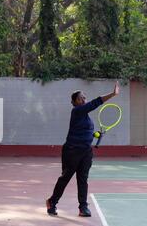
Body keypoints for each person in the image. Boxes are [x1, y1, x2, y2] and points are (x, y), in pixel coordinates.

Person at [46, 82, 120, 217]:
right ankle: (52, 202)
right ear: (74, 102)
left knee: (83, 179)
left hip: (86, 151)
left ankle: (83, 207)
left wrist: (95, 134)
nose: (84, 99)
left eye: (84, 97)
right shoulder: (77, 111)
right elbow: (95, 103)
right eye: (80, 98)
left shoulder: (86, 117)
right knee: (65, 178)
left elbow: (83, 132)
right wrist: (112, 94)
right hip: (72, 151)